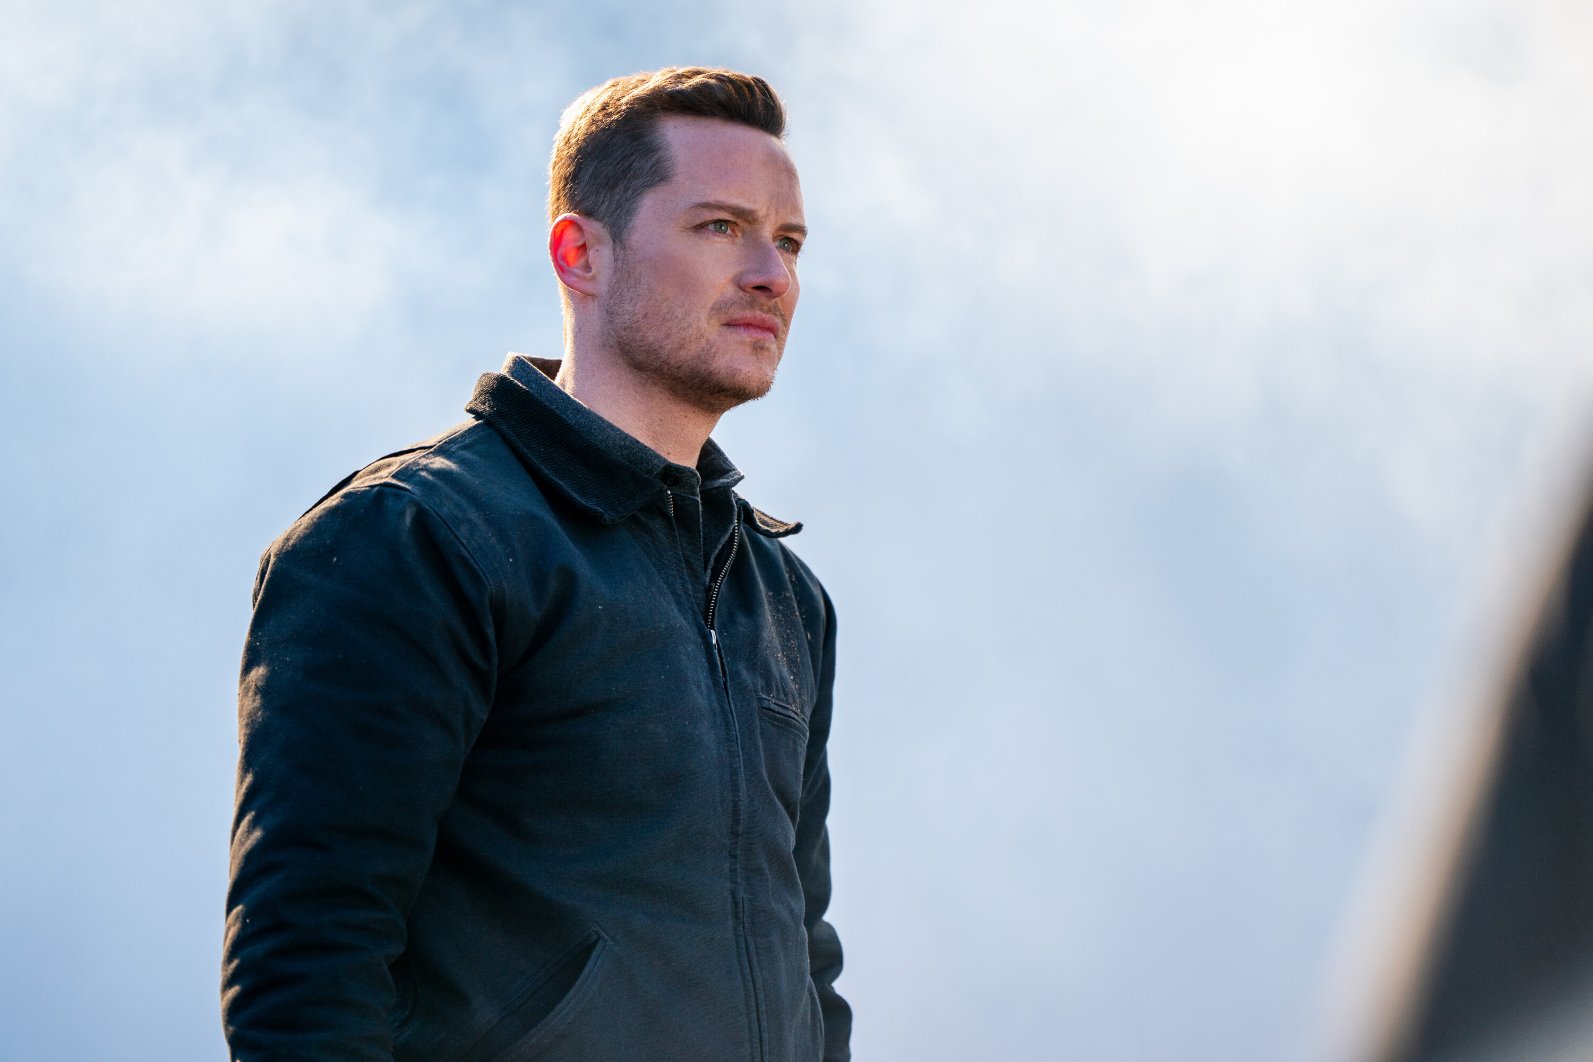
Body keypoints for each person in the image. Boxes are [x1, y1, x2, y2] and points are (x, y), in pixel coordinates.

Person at [222, 67, 850, 1062]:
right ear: (579, 253)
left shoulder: (780, 597)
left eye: (790, 241)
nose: (771, 274)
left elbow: (805, 960)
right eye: (719, 227)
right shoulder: (414, 537)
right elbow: (306, 969)